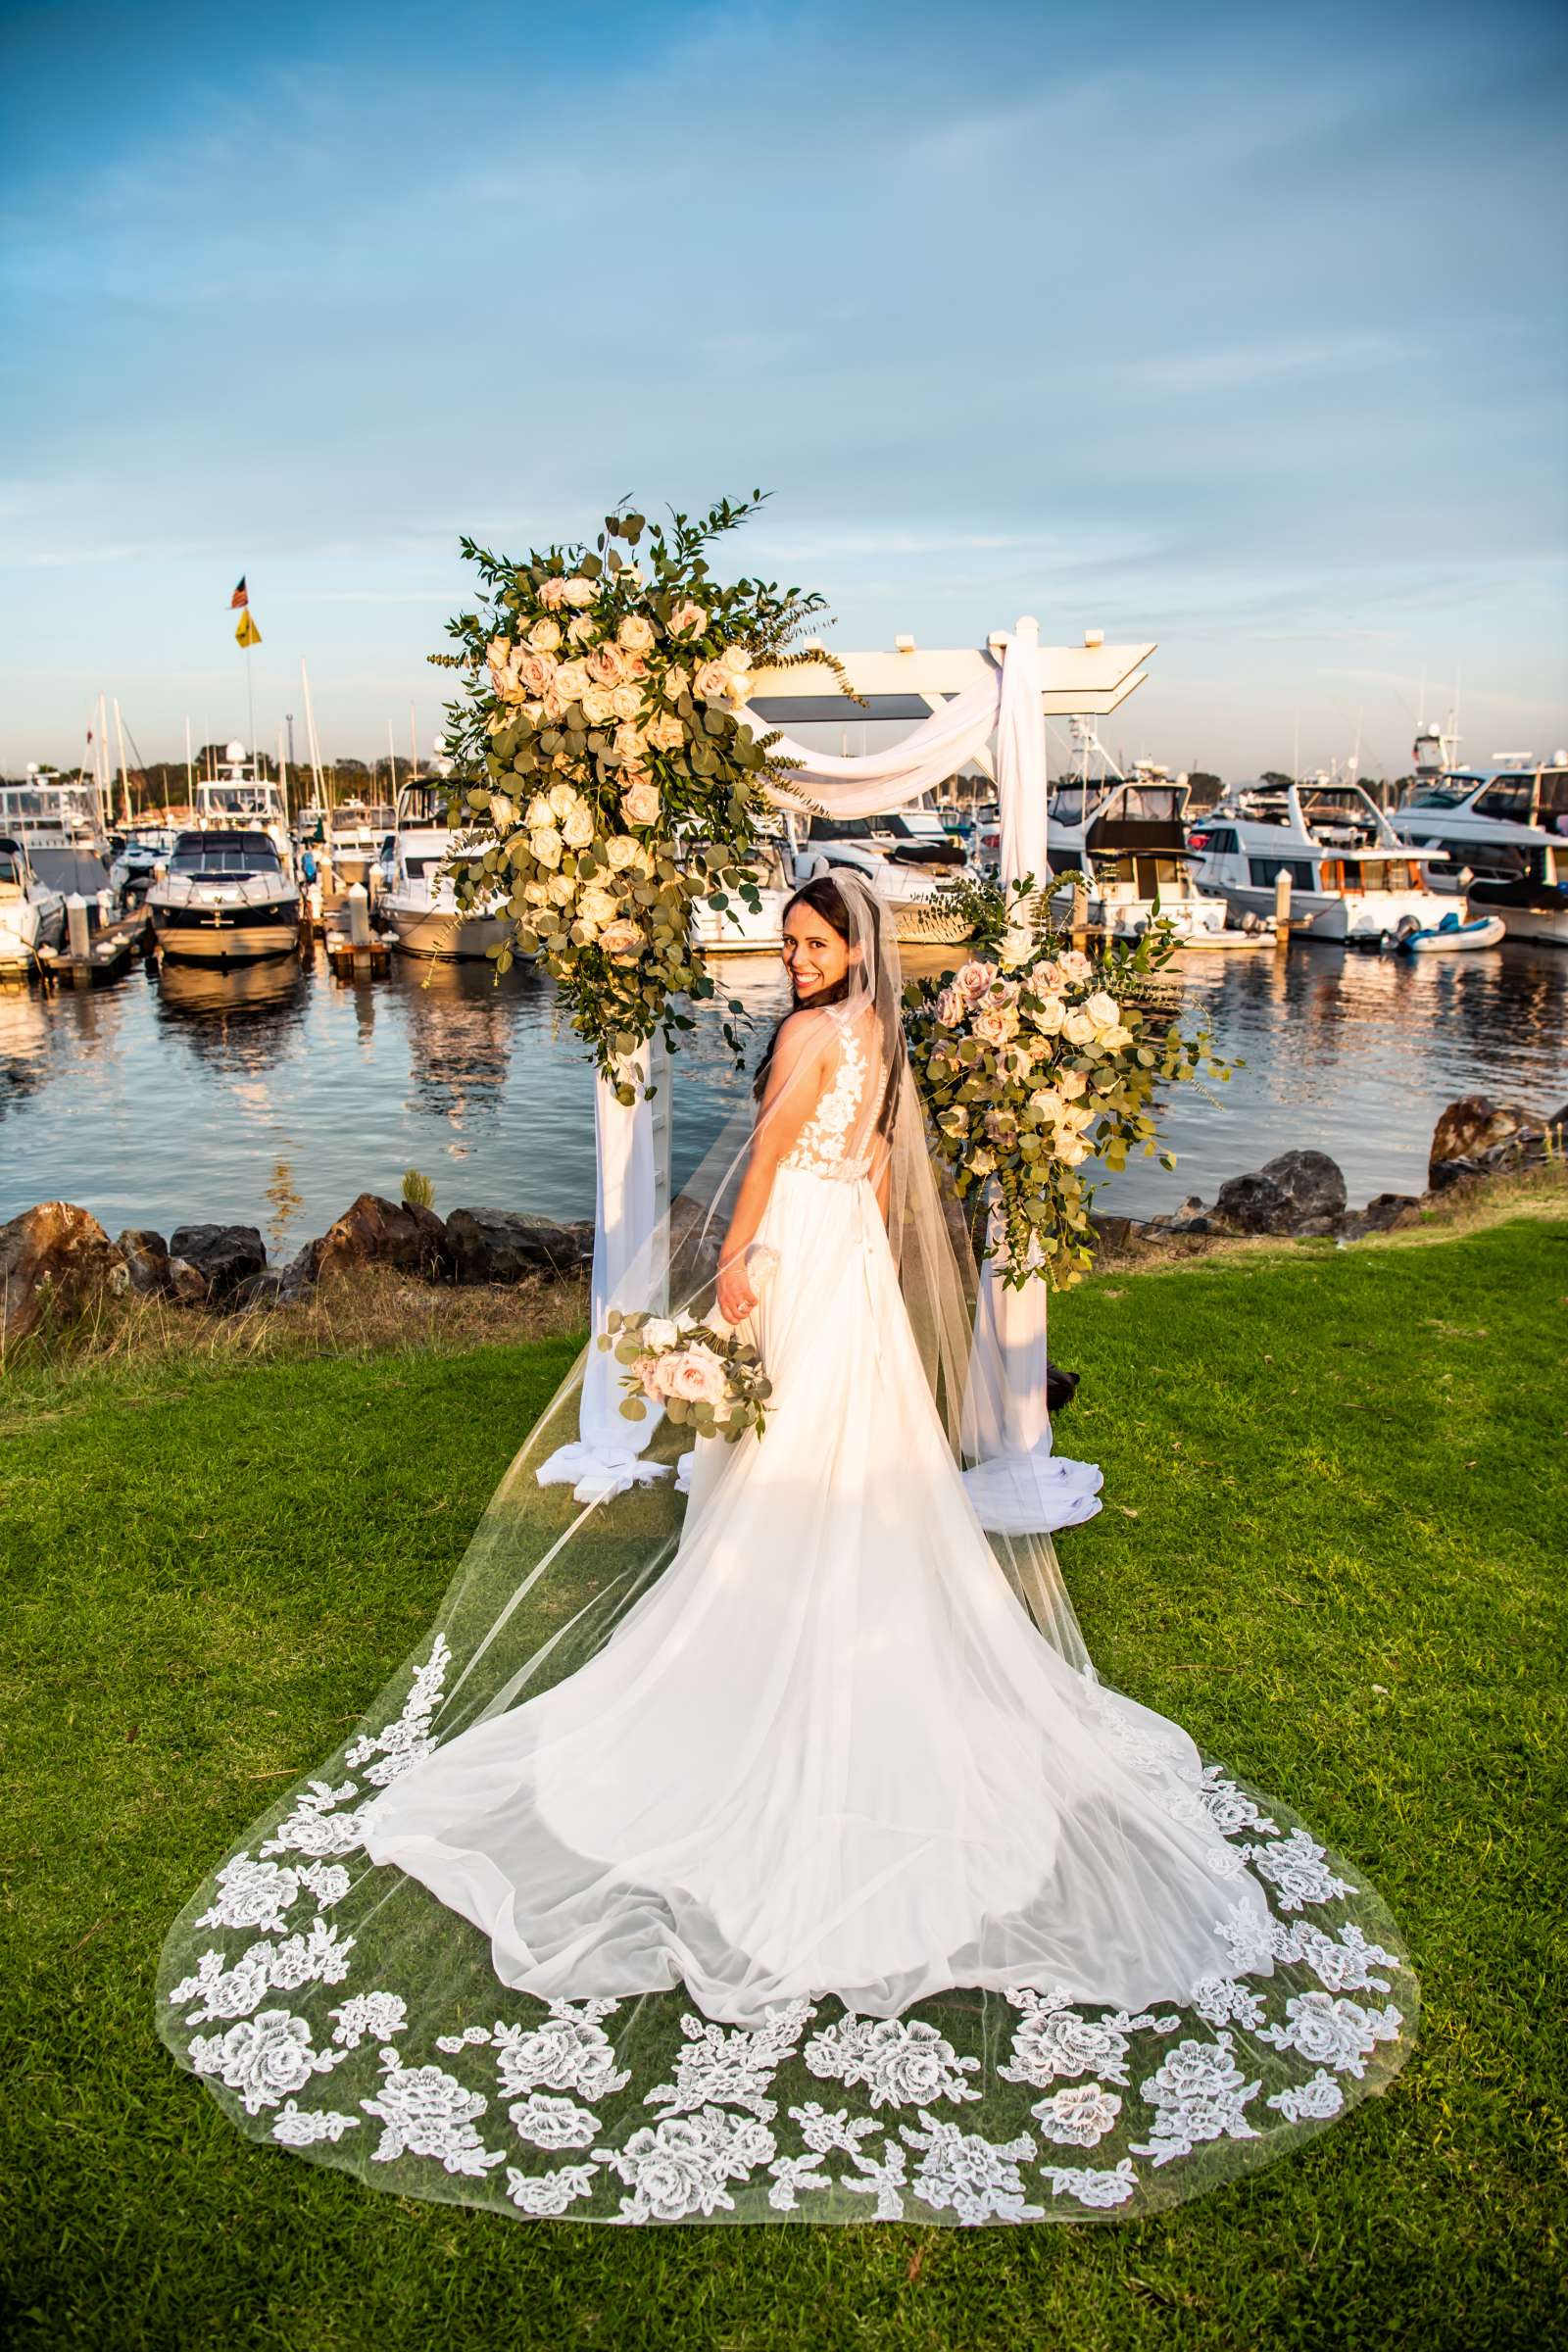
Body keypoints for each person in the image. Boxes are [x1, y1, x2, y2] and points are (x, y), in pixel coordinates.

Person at [157, 871, 1415, 2228]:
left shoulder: (816, 1033)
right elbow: (874, 1172)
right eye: (794, 940)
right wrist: (851, 1262)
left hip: (799, 1256)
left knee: (781, 1454)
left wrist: (745, 1261)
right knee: (842, 1452)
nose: (799, 957)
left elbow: (765, 1158)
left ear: (845, 944)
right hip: (852, 1268)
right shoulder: (879, 1033)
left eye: (814, 940)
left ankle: (769, 1634)